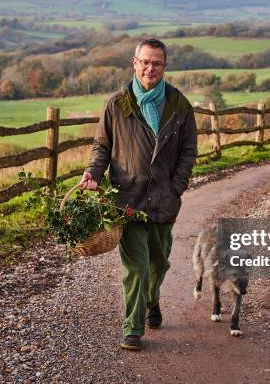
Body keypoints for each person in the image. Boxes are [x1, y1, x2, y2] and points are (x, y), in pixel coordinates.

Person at [80, 38, 197, 351]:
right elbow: (102, 146)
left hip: (164, 199)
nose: (150, 68)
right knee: (136, 266)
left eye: (156, 63)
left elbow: (188, 151)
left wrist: (176, 186)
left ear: (164, 66)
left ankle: (151, 301)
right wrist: (94, 171)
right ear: (134, 64)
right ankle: (132, 328)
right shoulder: (116, 104)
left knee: (158, 264)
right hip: (127, 198)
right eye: (144, 62)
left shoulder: (179, 104)